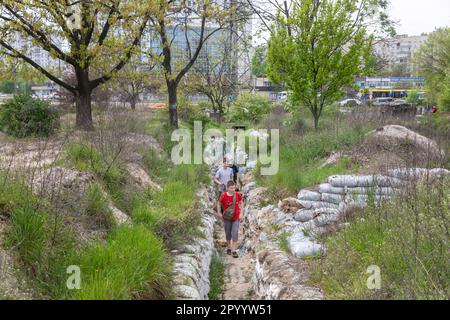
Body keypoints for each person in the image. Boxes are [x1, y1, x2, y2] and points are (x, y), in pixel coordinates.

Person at [216, 181, 243, 258]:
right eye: (231, 188)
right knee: (228, 233)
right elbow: (218, 203)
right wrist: (219, 212)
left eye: (234, 188)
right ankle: (228, 247)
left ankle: (233, 250)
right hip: (227, 218)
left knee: (235, 232)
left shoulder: (237, 195)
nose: (233, 189)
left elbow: (241, 203)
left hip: (236, 217)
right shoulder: (223, 195)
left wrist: (241, 213)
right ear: (227, 188)